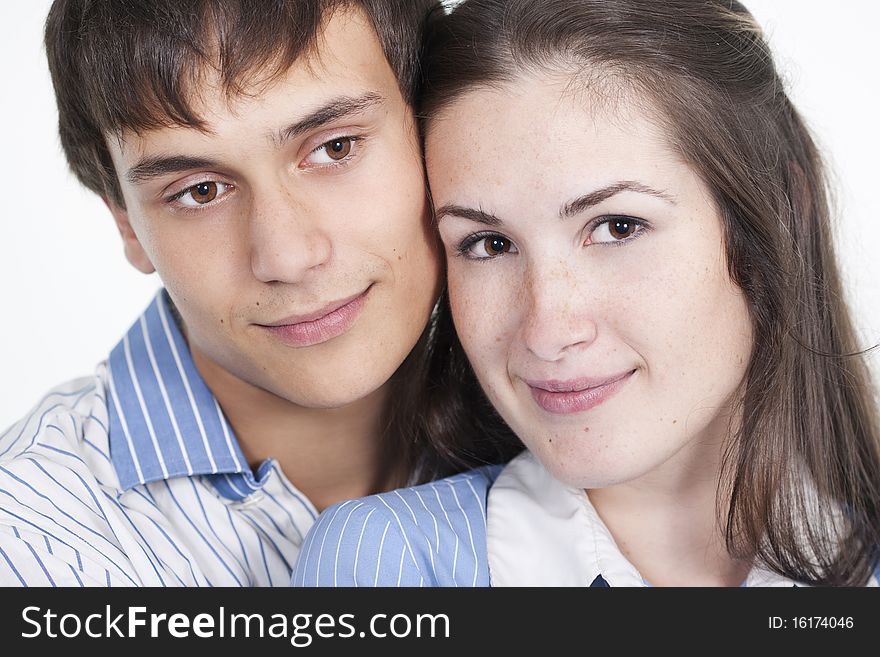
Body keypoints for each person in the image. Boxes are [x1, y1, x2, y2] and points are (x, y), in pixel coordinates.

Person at [293, 0, 880, 587]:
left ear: (779, 214)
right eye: (489, 245)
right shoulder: (386, 565)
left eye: (617, 227)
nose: (547, 331)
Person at [0, 0, 518, 587]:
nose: (288, 258)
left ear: (431, 133)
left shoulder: (574, 416)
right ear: (126, 223)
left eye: (334, 148)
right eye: (200, 191)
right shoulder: (32, 546)